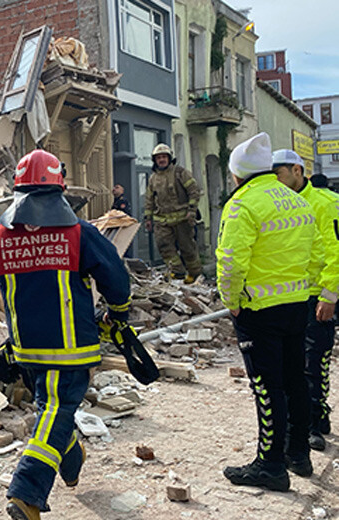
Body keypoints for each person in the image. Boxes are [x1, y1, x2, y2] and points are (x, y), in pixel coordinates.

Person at [0, 150, 132, 519]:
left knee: (51, 410)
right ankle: (27, 493)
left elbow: (3, 285)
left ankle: (71, 458)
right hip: (71, 348)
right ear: (60, 188)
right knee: (56, 409)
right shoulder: (78, 233)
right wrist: (117, 313)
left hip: (26, 349)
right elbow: (115, 278)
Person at [216, 133, 317, 491]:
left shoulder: (242, 205)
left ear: (237, 174)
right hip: (297, 303)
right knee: (295, 379)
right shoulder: (296, 201)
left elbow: (230, 262)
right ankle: (298, 453)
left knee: (266, 385)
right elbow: (315, 253)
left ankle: (270, 465)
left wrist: (231, 302)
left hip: (258, 310)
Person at [273, 150, 339, 452]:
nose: (277, 180)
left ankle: (314, 422)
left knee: (315, 361)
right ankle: (315, 417)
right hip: (294, 295)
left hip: (320, 294)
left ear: (297, 170)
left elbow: (336, 252)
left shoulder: (325, 204)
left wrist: (329, 295)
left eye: (280, 174)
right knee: (298, 362)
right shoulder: (281, 204)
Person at [144, 143, 202, 282]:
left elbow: (194, 192)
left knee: (187, 248)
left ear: (170, 158)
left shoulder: (180, 173)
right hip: (162, 221)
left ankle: (194, 273)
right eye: (159, 158)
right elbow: (149, 200)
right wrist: (147, 218)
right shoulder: (153, 178)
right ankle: (178, 272)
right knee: (164, 247)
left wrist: (191, 211)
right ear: (155, 160)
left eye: (164, 157)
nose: (162, 160)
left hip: (182, 219)